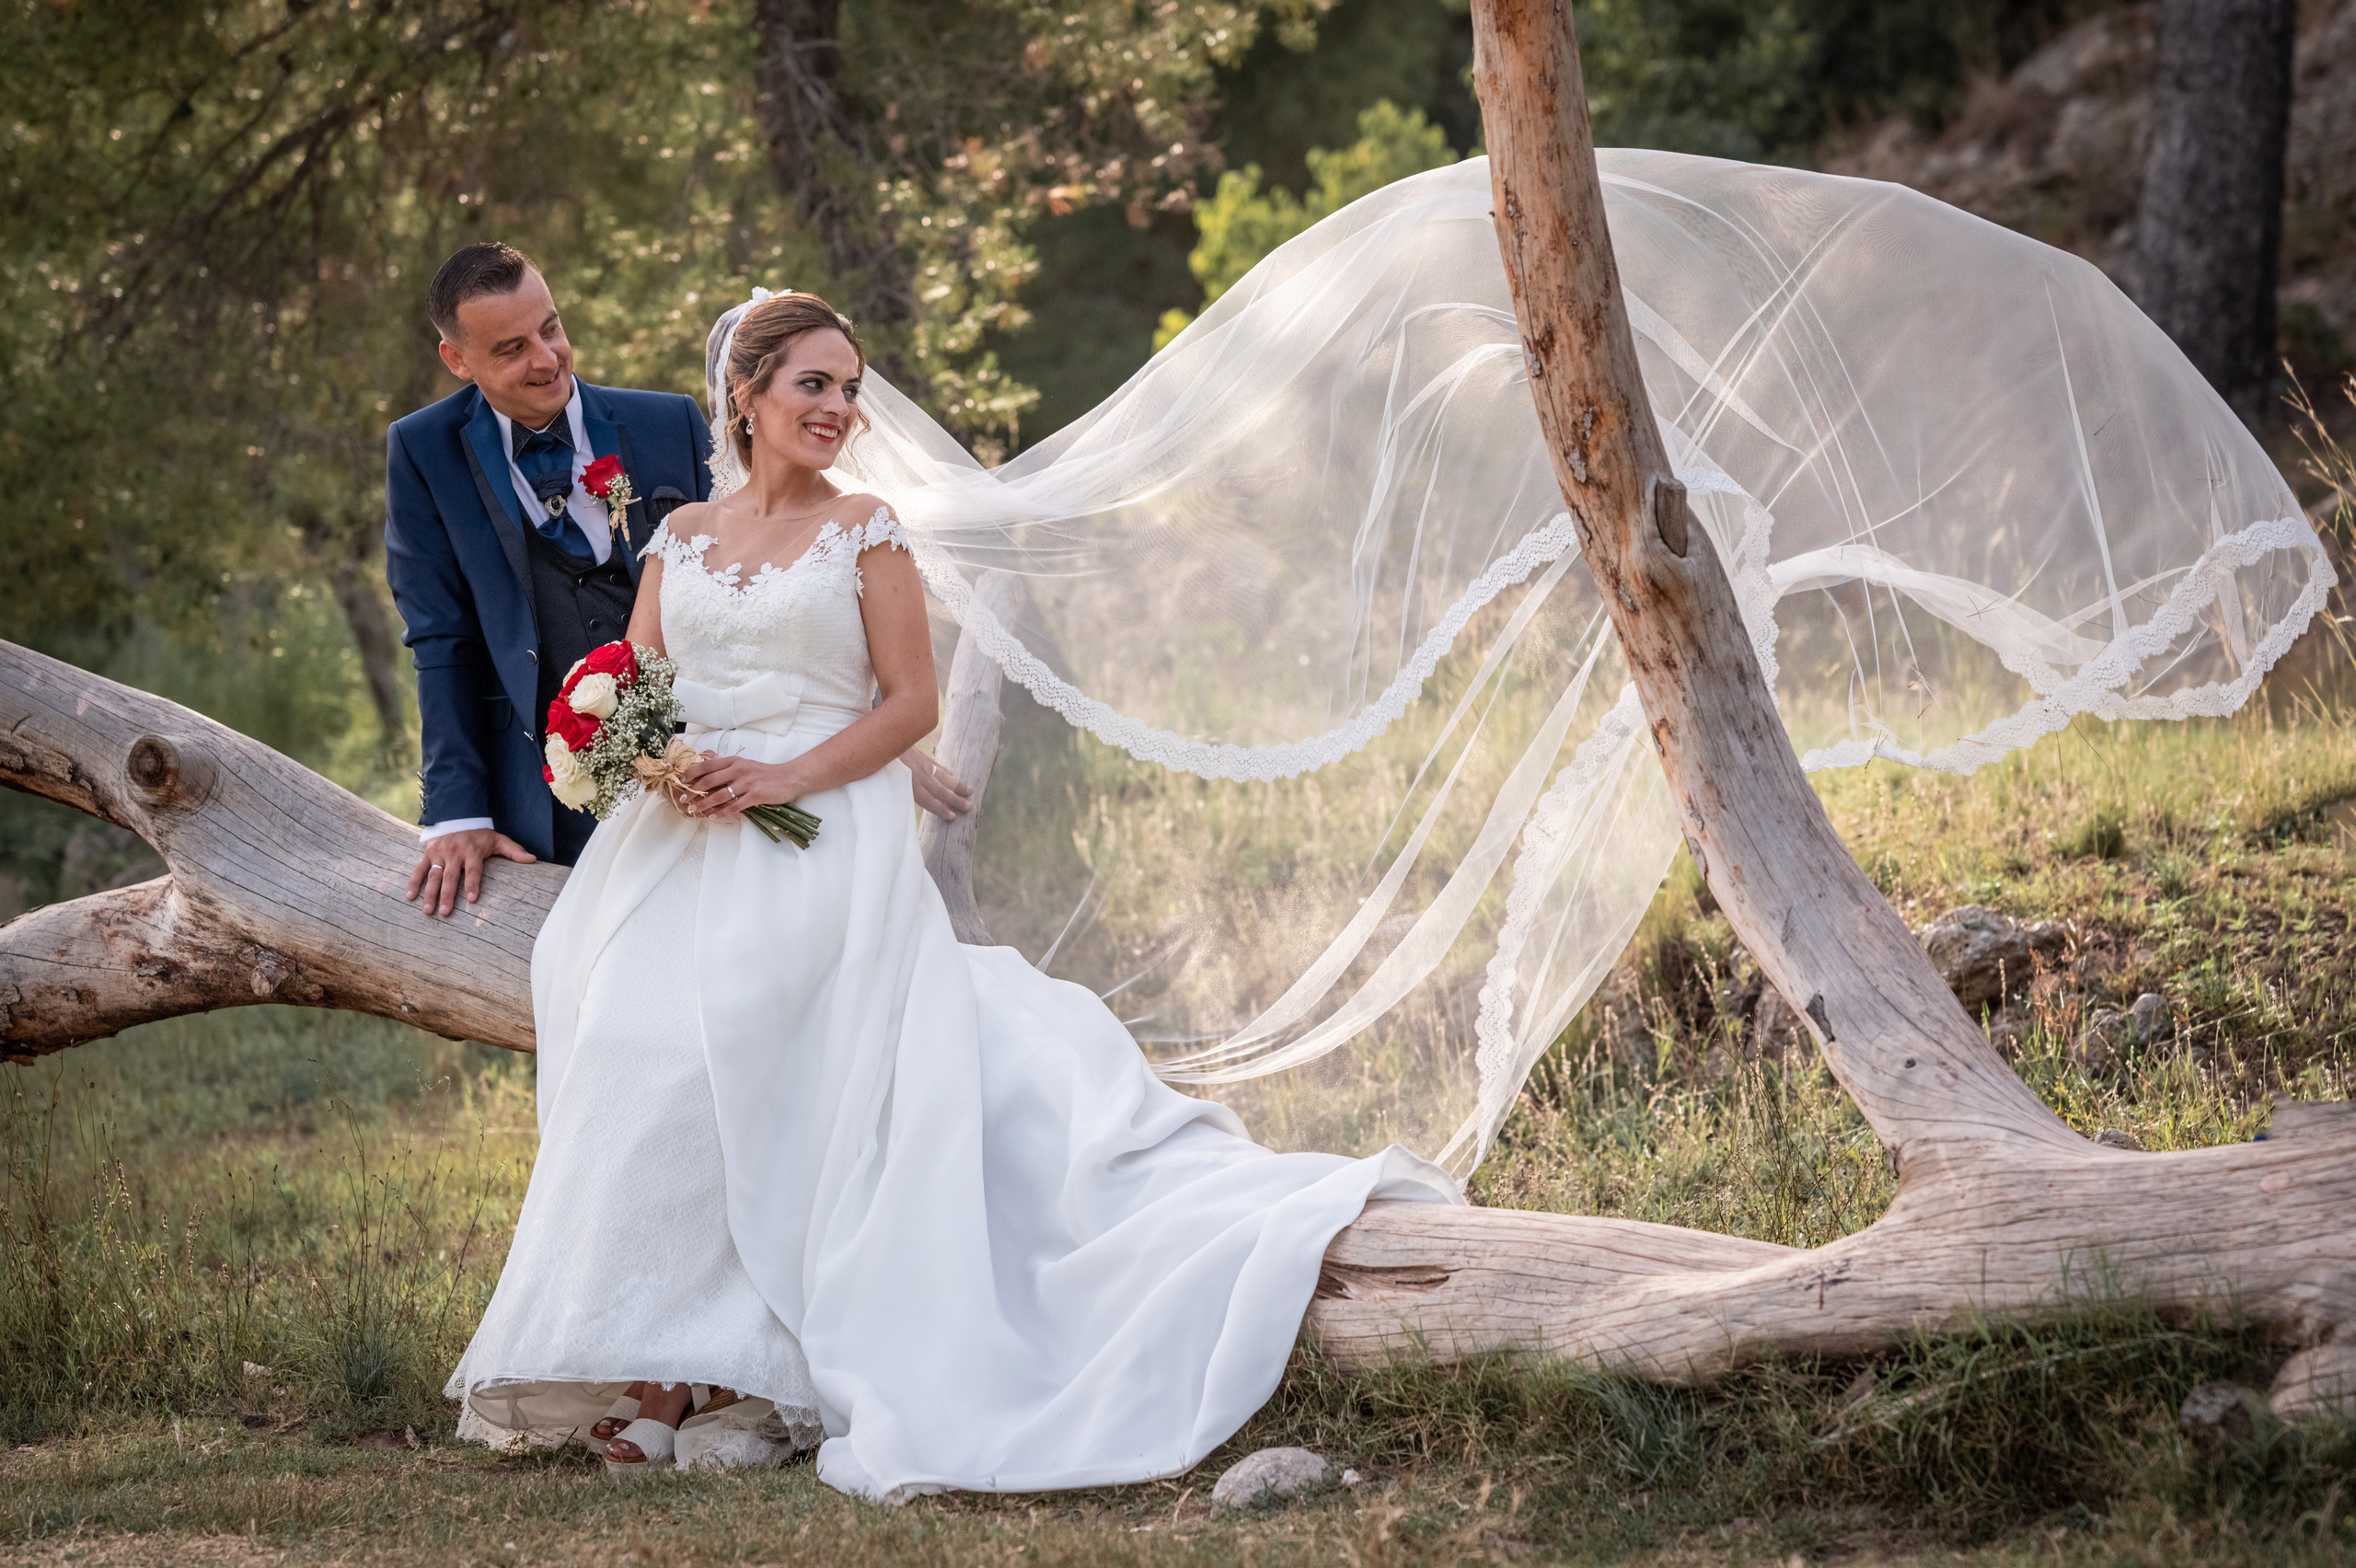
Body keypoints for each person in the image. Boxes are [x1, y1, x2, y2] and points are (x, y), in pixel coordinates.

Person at [441, 290, 1461, 1491]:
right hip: (686, 836)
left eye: (849, 387)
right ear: (750, 396)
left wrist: (777, 774)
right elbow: (646, 684)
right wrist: (647, 761)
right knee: (635, 1033)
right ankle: (676, 1362)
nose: (837, 406)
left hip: (824, 823)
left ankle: (755, 1373)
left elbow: (909, 707)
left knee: (768, 1025)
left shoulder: (866, 531)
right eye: (812, 383)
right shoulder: (680, 538)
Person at [383, 244, 971, 918]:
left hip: (717, 776)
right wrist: (457, 813)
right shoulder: (423, 450)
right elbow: (441, 639)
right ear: (457, 360)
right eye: (511, 348)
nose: (545, 359)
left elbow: (771, 587)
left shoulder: (668, 423)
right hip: (545, 781)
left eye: (550, 328)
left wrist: (870, 741)